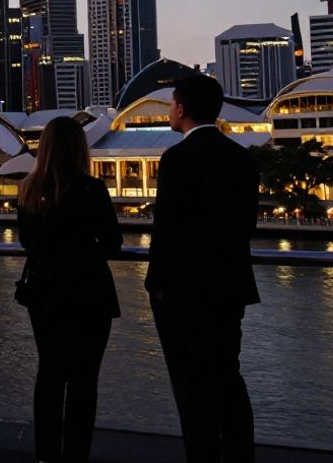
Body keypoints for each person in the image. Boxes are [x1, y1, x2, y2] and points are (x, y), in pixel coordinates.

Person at [146, 74, 260, 462]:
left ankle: (203, 455)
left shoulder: (176, 158)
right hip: (229, 286)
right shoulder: (240, 156)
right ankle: (242, 454)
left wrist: (156, 284)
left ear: (181, 109)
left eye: (172, 104)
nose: (170, 110)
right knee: (228, 375)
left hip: (183, 292)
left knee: (190, 385)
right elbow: (247, 224)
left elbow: (167, 228)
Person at [15, 116, 123, 463]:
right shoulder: (92, 189)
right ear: (80, 148)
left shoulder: (29, 190)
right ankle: (76, 456)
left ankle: (46, 454)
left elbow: (27, 242)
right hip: (88, 293)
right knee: (83, 380)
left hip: (44, 293)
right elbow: (112, 244)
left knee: (49, 373)